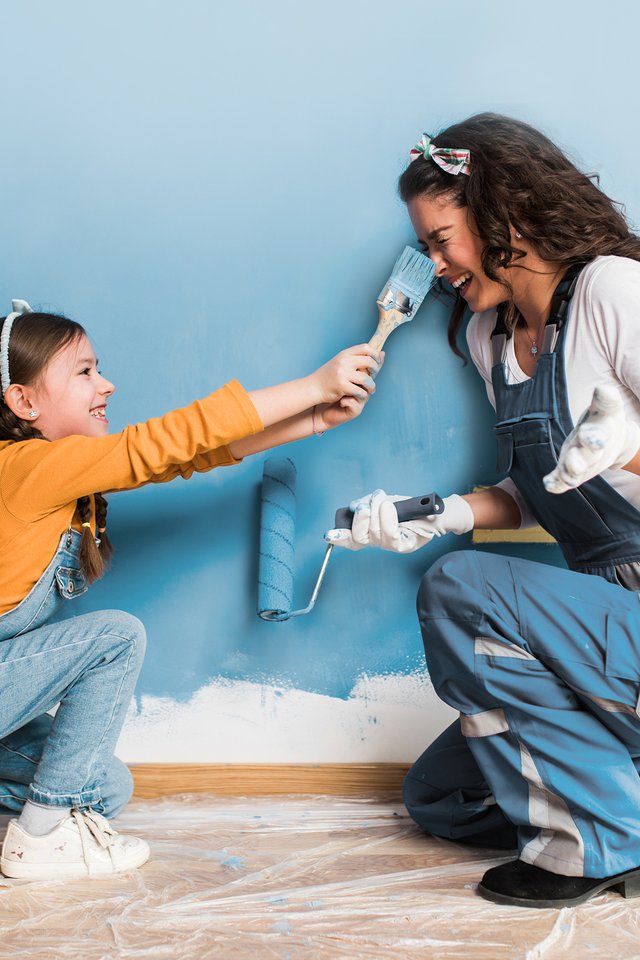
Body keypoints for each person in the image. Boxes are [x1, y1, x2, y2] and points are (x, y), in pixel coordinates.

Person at [326, 113, 640, 908]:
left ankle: (602, 843)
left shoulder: (612, 291)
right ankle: (621, 795)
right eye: (424, 250)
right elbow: (537, 489)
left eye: (441, 241)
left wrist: (627, 454)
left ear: (504, 216)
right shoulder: (487, 337)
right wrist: (440, 513)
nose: (434, 268)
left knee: (458, 588)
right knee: (443, 797)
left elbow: (599, 466)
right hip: (605, 623)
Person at [0, 298, 382, 880]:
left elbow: (181, 459)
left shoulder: (58, 473)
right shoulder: (24, 466)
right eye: (83, 372)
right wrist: (311, 386)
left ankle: (37, 824)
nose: (106, 383)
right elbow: (165, 442)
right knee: (116, 638)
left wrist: (313, 420)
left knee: (102, 787)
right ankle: (38, 842)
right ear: (23, 402)